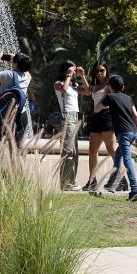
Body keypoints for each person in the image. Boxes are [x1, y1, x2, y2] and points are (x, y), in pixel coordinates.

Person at [95, 74, 137, 201]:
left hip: (123, 133)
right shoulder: (128, 98)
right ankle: (111, 184)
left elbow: (96, 109)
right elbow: (136, 115)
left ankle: (135, 190)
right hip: (132, 132)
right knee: (118, 156)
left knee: (127, 160)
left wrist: (105, 94)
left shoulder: (110, 97)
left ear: (110, 86)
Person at [79, 62, 117, 192]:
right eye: (97, 71)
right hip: (96, 118)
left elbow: (116, 97)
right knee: (92, 150)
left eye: (102, 70)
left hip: (107, 117)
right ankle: (92, 180)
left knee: (111, 148)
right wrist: (83, 76)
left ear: (106, 70)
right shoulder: (95, 86)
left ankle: (122, 178)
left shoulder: (109, 85)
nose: (99, 73)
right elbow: (88, 91)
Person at [0, 50, 32, 142]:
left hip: (6, 115)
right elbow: (26, 69)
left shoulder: (9, 75)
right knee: (16, 148)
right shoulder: (27, 76)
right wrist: (16, 61)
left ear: (16, 63)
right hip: (22, 115)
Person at [54, 61, 88, 190]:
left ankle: (71, 181)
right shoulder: (58, 84)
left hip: (75, 116)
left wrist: (83, 76)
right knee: (67, 150)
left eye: (73, 71)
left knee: (74, 151)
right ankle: (65, 183)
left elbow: (88, 91)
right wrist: (68, 76)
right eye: (71, 71)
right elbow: (63, 89)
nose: (73, 73)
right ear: (65, 71)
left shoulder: (74, 85)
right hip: (67, 116)